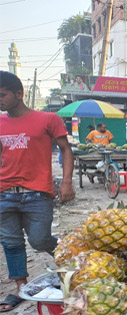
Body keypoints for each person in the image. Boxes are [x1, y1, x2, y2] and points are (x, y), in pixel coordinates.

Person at [0, 71, 75, 312]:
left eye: (2, 95)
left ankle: (73, 265)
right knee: (11, 243)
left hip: (38, 193)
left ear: (19, 94)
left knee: (40, 239)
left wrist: (66, 182)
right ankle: (21, 288)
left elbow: (65, 149)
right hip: (3, 193)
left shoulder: (48, 118)